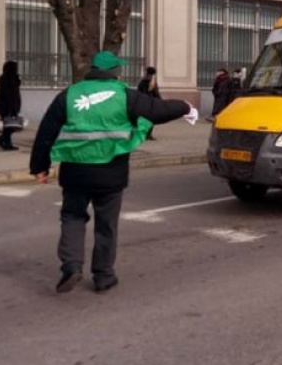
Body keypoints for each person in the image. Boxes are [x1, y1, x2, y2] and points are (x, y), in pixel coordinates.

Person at [30, 51, 194, 294]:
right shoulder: (125, 96)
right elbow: (157, 110)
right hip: (111, 173)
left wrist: (39, 167)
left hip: (76, 171)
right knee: (106, 224)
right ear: (116, 72)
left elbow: (46, 132)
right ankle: (103, 276)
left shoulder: (70, 94)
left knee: (73, 217)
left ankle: (72, 266)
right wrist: (185, 107)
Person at [0, 60, 22, 151]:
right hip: (6, 107)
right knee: (9, 127)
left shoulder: (14, 78)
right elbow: (7, 94)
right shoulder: (4, 78)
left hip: (12, 106)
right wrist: (12, 107)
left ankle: (5, 141)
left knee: (9, 127)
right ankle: (4, 141)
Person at [136, 67, 161, 140]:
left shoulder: (142, 81)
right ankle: (148, 134)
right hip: (151, 102)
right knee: (151, 119)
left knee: (142, 118)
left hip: (142, 102)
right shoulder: (152, 82)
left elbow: (138, 91)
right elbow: (156, 93)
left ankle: (142, 133)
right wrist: (160, 101)